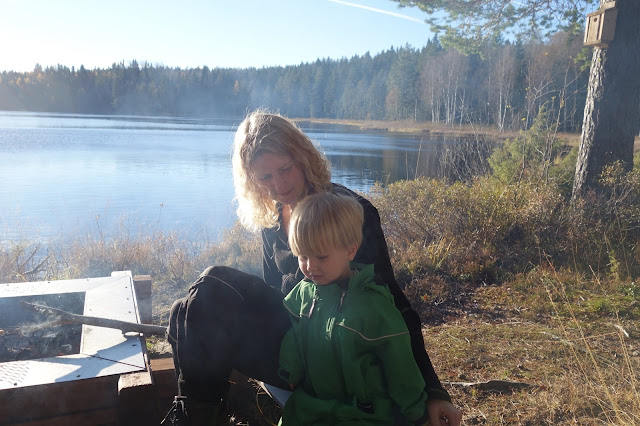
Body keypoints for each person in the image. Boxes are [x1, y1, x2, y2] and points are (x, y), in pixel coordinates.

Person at [163, 111, 461, 426]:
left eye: (284, 169)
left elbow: (394, 305)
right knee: (181, 310)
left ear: (303, 158)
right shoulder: (273, 218)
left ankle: (192, 417)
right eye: (264, 178)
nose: (278, 185)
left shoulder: (347, 213)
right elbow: (277, 297)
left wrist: (433, 389)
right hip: (296, 341)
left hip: (334, 352)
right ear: (251, 179)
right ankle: (195, 414)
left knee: (211, 284)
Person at [279, 191, 431, 425]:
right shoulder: (303, 293)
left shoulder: (373, 306)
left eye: (321, 257)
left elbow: (400, 364)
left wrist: (417, 412)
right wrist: (290, 368)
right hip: (313, 404)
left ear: (350, 250)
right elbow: (295, 333)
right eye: (303, 256)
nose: (310, 267)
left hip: (364, 413)